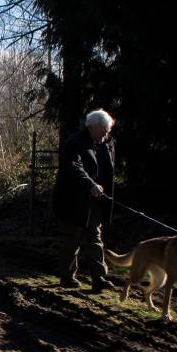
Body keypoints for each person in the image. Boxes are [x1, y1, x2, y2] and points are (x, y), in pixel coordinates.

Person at [52, 109, 116, 291]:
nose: (106, 134)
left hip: (94, 200)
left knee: (95, 236)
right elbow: (74, 167)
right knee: (72, 238)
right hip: (72, 200)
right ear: (93, 126)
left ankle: (99, 277)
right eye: (104, 130)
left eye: (108, 130)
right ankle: (67, 276)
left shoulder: (105, 144)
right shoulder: (75, 142)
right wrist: (91, 185)